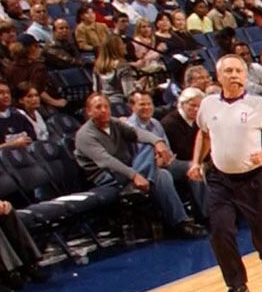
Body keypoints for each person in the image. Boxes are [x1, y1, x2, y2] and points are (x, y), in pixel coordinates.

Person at [191, 55, 262, 292]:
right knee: (221, 232)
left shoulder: (259, 104)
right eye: (229, 71)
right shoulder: (208, 105)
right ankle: (236, 285)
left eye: (238, 71)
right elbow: (203, 134)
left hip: (255, 179)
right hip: (221, 180)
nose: (234, 75)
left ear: (245, 76)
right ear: (219, 75)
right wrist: (195, 162)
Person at [73, 93, 206, 238]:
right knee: (150, 153)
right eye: (98, 107)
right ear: (89, 111)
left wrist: (158, 142)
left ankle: (194, 219)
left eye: (106, 106)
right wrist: (134, 175)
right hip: (107, 176)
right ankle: (180, 223)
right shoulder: (84, 135)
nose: (104, 110)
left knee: (170, 172)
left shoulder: (114, 123)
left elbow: (137, 133)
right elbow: (106, 161)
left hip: (131, 169)